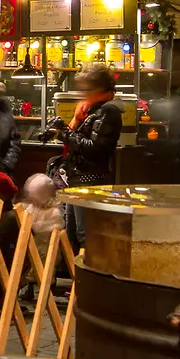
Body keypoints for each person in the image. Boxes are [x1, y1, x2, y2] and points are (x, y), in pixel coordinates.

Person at [50, 63, 124, 249]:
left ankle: (88, 275)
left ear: (98, 88)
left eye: (86, 88)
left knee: (85, 235)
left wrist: (64, 132)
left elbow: (95, 147)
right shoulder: (92, 111)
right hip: (78, 179)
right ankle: (77, 275)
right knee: (72, 233)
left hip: (90, 181)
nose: (82, 93)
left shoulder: (109, 111)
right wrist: (74, 121)